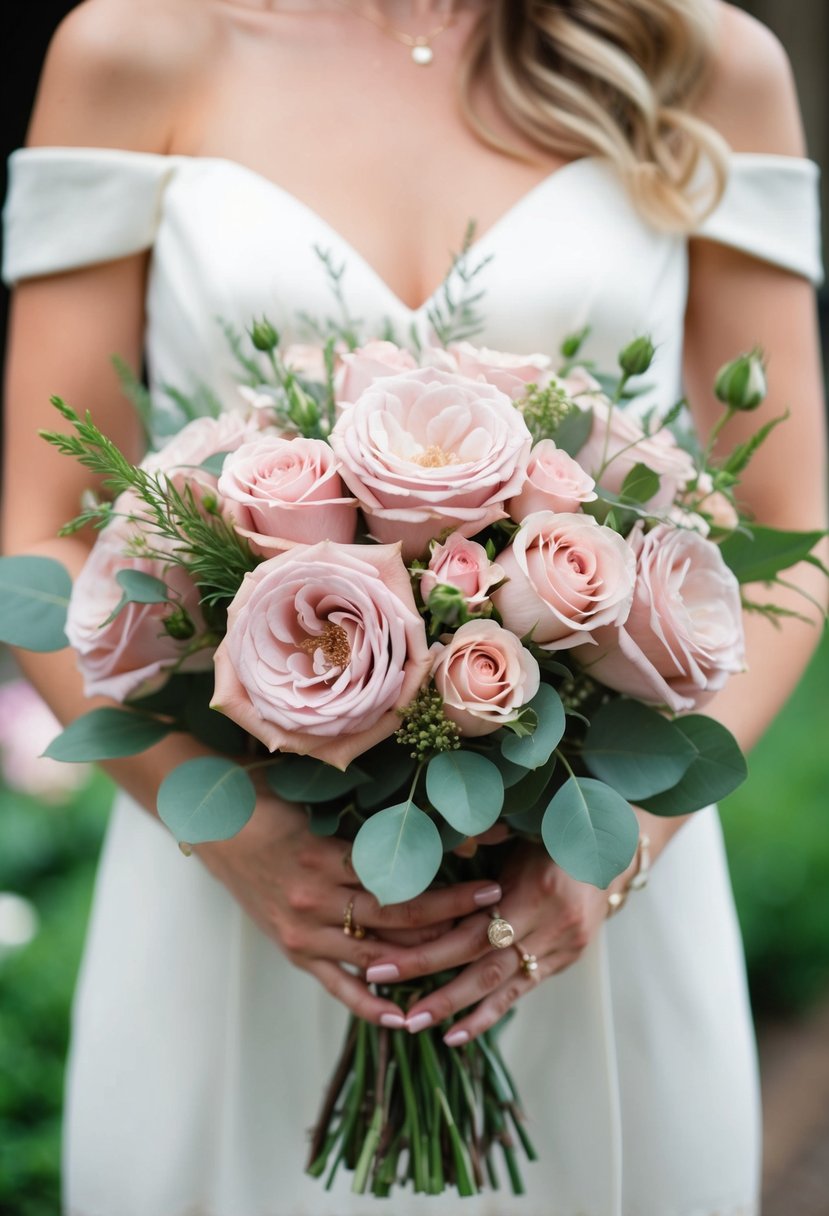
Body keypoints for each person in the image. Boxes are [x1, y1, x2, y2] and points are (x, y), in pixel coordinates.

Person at [2, 1, 827, 1213]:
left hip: (583, 907)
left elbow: (792, 530)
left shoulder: (697, 57)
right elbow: (38, 524)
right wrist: (230, 838)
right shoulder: (135, 48)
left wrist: (618, 856)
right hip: (235, 896)